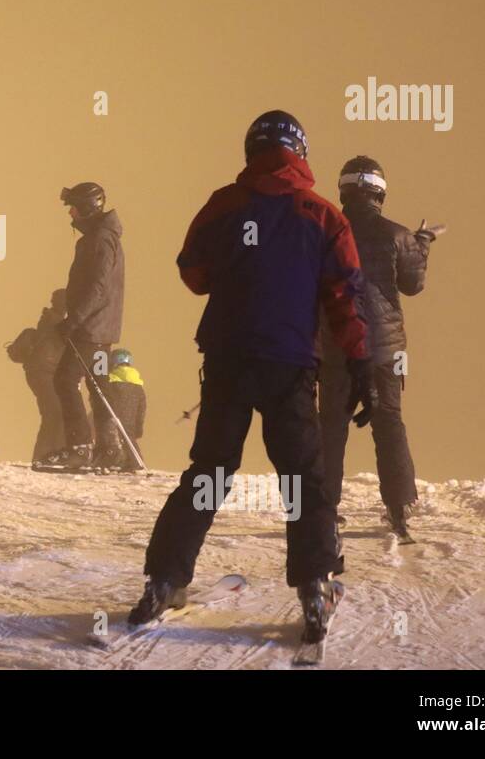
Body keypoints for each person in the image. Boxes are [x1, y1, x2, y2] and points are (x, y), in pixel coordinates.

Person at [129, 111, 376, 648]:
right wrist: (361, 363)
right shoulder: (323, 215)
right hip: (289, 363)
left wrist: (239, 272)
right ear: (300, 152)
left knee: (210, 471)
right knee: (301, 479)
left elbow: (192, 272)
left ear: (251, 150)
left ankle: (164, 580)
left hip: (228, 359)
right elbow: (344, 295)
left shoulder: (224, 205)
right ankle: (315, 586)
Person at [318, 156, 441, 541]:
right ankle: (399, 508)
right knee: (389, 423)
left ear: (344, 190)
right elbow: (413, 285)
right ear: (380, 193)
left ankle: (324, 510)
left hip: (336, 347)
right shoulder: (397, 234)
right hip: (387, 352)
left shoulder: (322, 232)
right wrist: (422, 243)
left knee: (331, 428)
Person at [45, 182, 126, 469]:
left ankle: (79, 448)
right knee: (98, 384)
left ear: (89, 208)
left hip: (90, 330)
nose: (70, 212)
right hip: (101, 331)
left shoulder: (99, 239)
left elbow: (98, 287)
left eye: (74, 207)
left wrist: (73, 320)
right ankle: (109, 448)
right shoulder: (103, 237)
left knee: (65, 380)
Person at [5, 289, 69, 463]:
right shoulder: (55, 322)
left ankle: (49, 455)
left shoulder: (53, 320)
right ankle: (47, 456)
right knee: (55, 412)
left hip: (44, 373)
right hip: (44, 373)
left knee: (54, 412)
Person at [104, 348, 147, 471]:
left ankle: (114, 459)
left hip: (113, 418)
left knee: (113, 439)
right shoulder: (138, 385)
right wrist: (139, 426)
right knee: (129, 438)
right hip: (130, 421)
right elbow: (142, 408)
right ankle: (134, 461)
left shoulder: (110, 380)